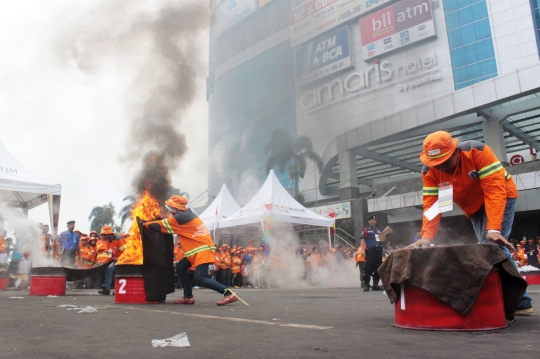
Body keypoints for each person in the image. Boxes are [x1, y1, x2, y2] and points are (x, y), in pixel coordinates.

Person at [411, 130, 533, 315]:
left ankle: (521, 302)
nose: (441, 167)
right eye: (436, 163)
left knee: (492, 247)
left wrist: (493, 228)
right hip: (473, 207)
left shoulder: (477, 151)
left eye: (445, 162)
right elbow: (432, 204)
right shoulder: (429, 171)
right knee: (488, 249)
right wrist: (427, 236)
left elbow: (494, 190)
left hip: (502, 196)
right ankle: (508, 299)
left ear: (455, 151)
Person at [143, 195, 241, 306]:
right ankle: (188, 296)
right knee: (181, 267)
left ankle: (228, 293)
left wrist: (144, 224)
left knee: (200, 279)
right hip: (196, 251)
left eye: (171, 209)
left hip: (201, 251)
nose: (170, 212)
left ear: (176, 208)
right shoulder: (187, 215)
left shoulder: (180, 218)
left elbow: (158, 226)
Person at [360, 215, 383, 292]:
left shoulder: (378, 230)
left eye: (373, 220)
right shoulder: (366, 230)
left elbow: (381, 240)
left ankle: (375, 285)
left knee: (378, 268)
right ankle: (366, 284)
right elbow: (362, 240)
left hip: (378, 251)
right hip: (371, 251)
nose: (371, 221)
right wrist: (363, 250)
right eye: (370, 220)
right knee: (368, 268)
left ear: (375, 221)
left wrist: (386, 236)